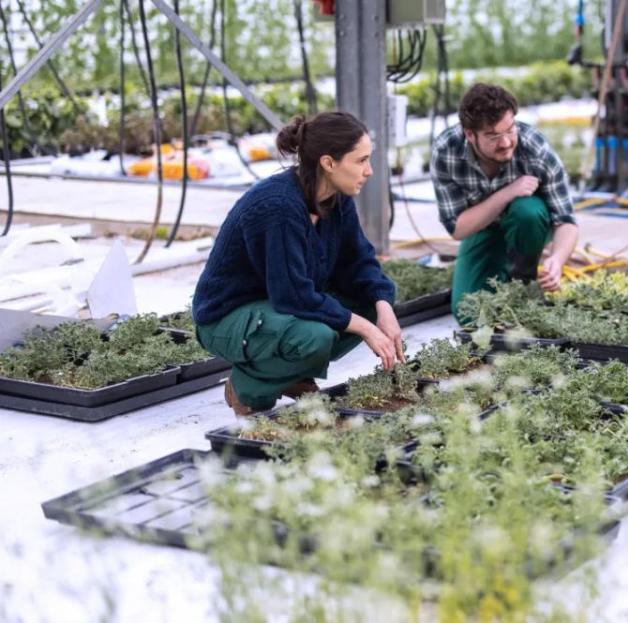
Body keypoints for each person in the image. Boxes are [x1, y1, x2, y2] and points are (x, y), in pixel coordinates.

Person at [192, 111, 404, 416]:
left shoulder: (337, 199)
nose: (369, 171)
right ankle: (245, 388)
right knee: (315, 337)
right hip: (227, 318)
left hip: (275, 310)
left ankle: (294, 375)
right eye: (361, 160)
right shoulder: (278, 207)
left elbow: (360, 262)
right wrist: (367, 329)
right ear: (329, 163)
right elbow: (293, 296)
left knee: (370, 301)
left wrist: (383, 308)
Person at [430, 83, 579, 323]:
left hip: (527, 229)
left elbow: (567, 220)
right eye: (493, 136)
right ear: (470, 134)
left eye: (510, 130)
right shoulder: (446, 151)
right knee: (468, 313)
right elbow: (457, 228)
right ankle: (500, 276)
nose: (506, 142)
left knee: (527, 211)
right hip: (481, 229)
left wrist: (557, 259)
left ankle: (524, 284)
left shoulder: (535, 149)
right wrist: (507, 192)